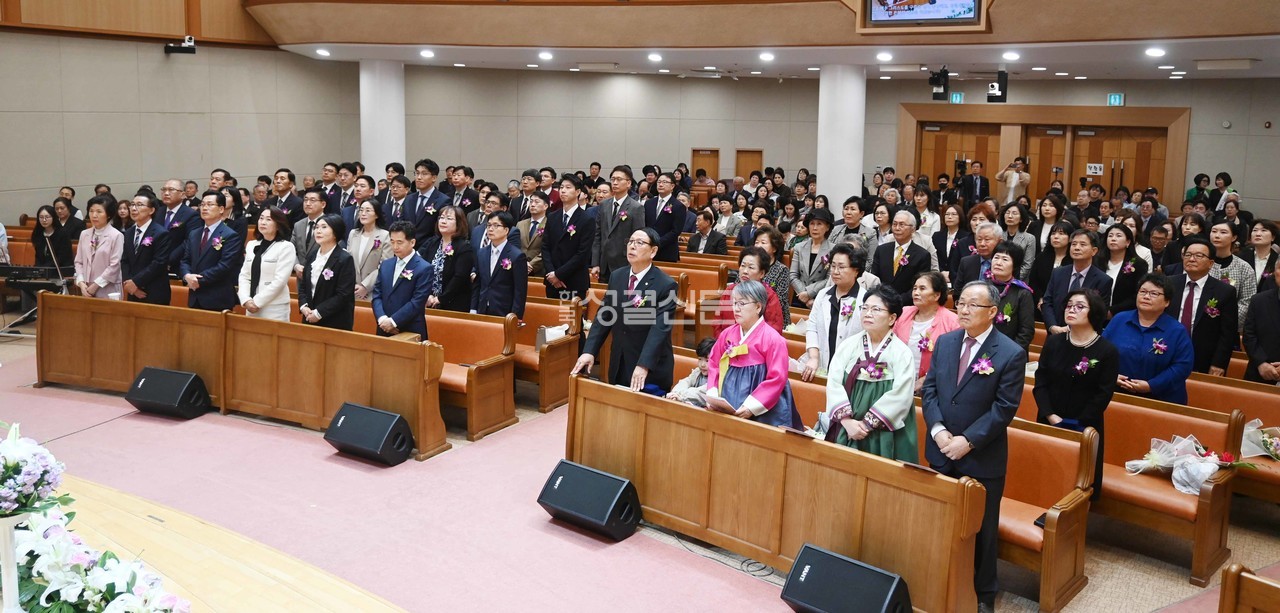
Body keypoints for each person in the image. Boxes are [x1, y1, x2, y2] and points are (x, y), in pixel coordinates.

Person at [922, 281, 1026, 611]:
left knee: (982, 530)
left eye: (972, 305)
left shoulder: (1010, 353)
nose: (963, 310)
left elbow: (1004, 408)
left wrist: (967, 442)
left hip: (981, 456)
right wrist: (938, 431)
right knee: (941, 522)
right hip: (941, 449)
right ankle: (938, 580)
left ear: (993, 312)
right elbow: (932, 391)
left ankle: (983, 595)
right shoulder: (947, 342)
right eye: (961, 303)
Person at [1034, 288, 1120, 497]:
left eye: (1079, 306)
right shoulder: (1054, 341)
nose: (1071, 310)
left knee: (1077, 480)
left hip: (1085, 424)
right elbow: (1041, 381)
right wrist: (1051, 416)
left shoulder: (1107, 351)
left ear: (1094, 313)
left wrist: (1077, 423)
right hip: (1049, 419)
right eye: (1069, 305)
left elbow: (1103, 393)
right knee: (1043, 475)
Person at [572, 228, 679, 393]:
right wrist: (589, 351)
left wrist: (644, 364)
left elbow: (659, 330)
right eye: (630, 241)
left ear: (653, 251)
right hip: (620, 361)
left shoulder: (665, 285)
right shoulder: (617, 277)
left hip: (649, 368)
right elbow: (604, 316)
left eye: (639, 242)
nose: (632, 246)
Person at [822, 286, 916, 459]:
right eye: (864, 307)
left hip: (884, 430)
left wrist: (866, 425)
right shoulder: (848, 346)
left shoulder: (902, 353)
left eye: (876, 309)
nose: (867, 313)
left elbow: (901, 395)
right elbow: (833, 383)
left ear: (892, 318)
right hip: (848, 427)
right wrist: (847, 422)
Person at [704, 280, 803, 428]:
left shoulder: (773, 339)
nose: (736, 309)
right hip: (728, 396)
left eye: (742, 304)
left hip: (764, 406)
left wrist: (752, 406)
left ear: (758, 307)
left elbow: (777, 378)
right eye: (734, 303)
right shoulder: (727, 334)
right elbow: (714, 363)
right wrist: (712, 395)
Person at [1102, 274, 1194, 404]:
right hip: (1116, 394)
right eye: (1143, 292)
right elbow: (1101, 353)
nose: (1146, 297)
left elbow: (1182, 367)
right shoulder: (1119, 320)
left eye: (1154, 294)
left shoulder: (1177, 330)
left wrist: (1151, 385)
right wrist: (1111, 376)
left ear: (1167, 301)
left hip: (1161, 399)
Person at [1165, 237, 1238, 375]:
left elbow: (1227, 333)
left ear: (1210, 263)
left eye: (1199, 256)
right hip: (1166, 351)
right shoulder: (1169, 284)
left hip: (1204, 358)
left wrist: (1219, 363)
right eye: (1188, 255)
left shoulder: (1224, 291)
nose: (1192, 259)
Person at [802, 243, 869, 380]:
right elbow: (812, 327)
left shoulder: (866, 300)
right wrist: (814, 357)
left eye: (842, 267)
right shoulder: (823, 295)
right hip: (820, 364)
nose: (835, 271)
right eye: (833, 266)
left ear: (856, 270)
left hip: (852, 370)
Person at [893, 271, 960, 392]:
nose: (916, 292)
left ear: (936, 295)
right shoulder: (903, 313)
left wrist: (923, 381)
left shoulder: (953, 322)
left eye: (922, 288)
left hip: (931, 387)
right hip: (897, 380)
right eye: (914, 288)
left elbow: (951, 362)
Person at [1042, 229, 1113, 334]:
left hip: (1084, 336)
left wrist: (1072, 329)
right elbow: (1047, 302)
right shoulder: (1058, 273)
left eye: (1082, 244)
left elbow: (1099, 314)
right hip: (1055, 334)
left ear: (1094, 251)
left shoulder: (1103, 280)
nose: (1077, 248)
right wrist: (1053, 327)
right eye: (1074, 244)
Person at [372, 220, 434, 338]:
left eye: (400, 242)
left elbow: (417, 302)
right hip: (383, 327)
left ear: (412, 242)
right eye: (392, 242)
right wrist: (382, 319)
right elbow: (377, 294)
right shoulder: (386, 264)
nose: (395, 247)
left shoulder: (424, 268)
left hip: (410, 329)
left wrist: (393, 321)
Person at [708, 247, 785, 338]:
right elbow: (718, 323)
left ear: (762, 273)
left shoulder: (769, 296)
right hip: (727, 346)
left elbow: (774, 330)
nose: (745, 271)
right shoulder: (730, 290)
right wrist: (723, 344)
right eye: (743, 266)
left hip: (756, 348)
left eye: (751, 267)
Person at [297, 214, 356, 330]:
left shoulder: (344, 259)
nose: (318, 231)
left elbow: (343, 294)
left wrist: (319, 313)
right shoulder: (312, 255)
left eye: (324, 227)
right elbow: (303, 285)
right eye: (316, 227)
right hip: (309, 317)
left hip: (334, 321)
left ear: (335, 232)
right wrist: (303, 306)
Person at [237, 207, 297, 322]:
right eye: (261, 218)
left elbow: (280, 281)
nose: (263, 222)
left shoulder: (286, 247)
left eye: (269, 219)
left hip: (274, 307)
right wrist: (246, 299)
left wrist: (257, 301)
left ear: (278, 224)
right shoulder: (251, 244)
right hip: (250, 304)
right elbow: (244, 275)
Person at [542, 175, 596, 301]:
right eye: (561, 187)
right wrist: (552, 274)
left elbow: (582, 254)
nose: (563, 190)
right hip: (552, 281)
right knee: (552, 318)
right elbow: (545, 247)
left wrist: (559, 274)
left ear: (578, 192)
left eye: (568, 187)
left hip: (574, 280)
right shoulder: (552, 217)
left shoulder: (587, 219)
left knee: (571, 319)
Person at [591, 165, 646, 282]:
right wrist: (595, 263)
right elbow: (597, 235)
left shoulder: (636, 207)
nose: (615, 183)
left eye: (619, 179)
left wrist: (634, 265)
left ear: (628, 183)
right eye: (613, 179)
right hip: (604, 264)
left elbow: (638, 239)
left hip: (624, 264)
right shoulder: (604, 205)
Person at [472, 211, 529, 320]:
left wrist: (516, 316)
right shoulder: (482, 253)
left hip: (504, 311)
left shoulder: (517, 256)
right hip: (482, 308)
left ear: (506, 230)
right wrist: (473, 308)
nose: (490, 229)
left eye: (496, 225)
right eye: (488, 225)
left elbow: (520, 291)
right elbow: (478, 284)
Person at [417, 205, 474, 313]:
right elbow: (421, 269)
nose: (443, 221)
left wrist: (440, 299)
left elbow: (459, 278)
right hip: (428, 302)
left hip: (453, 304)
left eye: (449, 218)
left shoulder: (464, 247)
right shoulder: (432, 243)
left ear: (459, 223)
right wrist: (427, 295)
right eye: (441, 218)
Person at [120, 192, 171, 306]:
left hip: (154, 291)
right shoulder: (129, 233)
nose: (134, 208)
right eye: (132, 204)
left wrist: (136, 282)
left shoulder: (161, 233)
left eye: (139, 205)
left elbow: (158, 263)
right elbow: (125, 260)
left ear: (151, 210)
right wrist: (129, 284)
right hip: (132, 291)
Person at [869, 210, 931, 296]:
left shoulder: (922, 255)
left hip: (907, 304)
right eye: (894, 224)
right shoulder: (881, 250)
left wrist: (898, 302)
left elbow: (920, 286)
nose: (897, 228)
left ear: (913, 229)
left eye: (902, 224)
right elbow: (874, 279)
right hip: (882, 301)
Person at [73, 195, 124, 300]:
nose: (94, 215)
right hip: (86, 289)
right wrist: (81, 283)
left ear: (108, 215)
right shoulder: (84, 234)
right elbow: (79, 262)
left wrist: (96, 285)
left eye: (99, 212)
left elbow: (115, 265)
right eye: (91, 211)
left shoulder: (116, 235)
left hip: (108, 288)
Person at [987, 242, 1035, 350]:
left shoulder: (1022, 293)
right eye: (996, 257)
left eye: (1005, 259)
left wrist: (1009, 354)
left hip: (1010, 352)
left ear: (1015, 265)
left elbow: (1026, 332)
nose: (998, 263)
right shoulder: (981, 287)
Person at [1207, 219, 1255, 328]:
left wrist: (1227, 320)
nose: (1217, 235)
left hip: (1230, 326)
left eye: (1223, 232)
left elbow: (1246, 301)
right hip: (1200, 324)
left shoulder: (1244, 268)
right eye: (1214, 231)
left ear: (1234, 237)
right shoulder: (1201, 262)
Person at [1243, 256, 1280, 383]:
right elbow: (1249, 335)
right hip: (1259, 373)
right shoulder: (1259, 300)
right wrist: (1262, 363)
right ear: (1275, 272)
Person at [347, 199, 393, 302]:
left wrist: (365, 286)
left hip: (373, 290)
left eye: (368, 210)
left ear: (376, 215)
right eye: (361, 210)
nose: (363, 214)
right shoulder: (353, 234)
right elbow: (348, 262)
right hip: (352, 289)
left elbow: (384, 266)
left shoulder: (385, 236)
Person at [791, 208, 836, 309]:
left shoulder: (833, 249)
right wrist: (803, 294)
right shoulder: (799, 247)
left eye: (819, 224)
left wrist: (809, 293)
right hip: (799, 295)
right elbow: (793, 275)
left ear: (827, 227)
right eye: (812, 223)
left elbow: (830, 278)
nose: (815, 228)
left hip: (820, 297)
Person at [1101, 223, 1149, 316]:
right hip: (1096, 314)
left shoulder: (1138, 264)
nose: (1113, 239)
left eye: (1118, 236)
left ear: (1128, 242)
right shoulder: (1098, 261)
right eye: (1110, 236)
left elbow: (1138, 294)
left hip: (1124, 314)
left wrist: (1112, 311)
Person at [952, 220, 1002, 303]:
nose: (982, 244)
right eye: (979, 239)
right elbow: (957, 292)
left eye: (987, 239)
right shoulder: (966, 262)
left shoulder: (1004, 263)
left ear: (999, 241)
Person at [752, 227, 793, 324]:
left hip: (773, 318)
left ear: (774, 248)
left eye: (763, 242)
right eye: (756, 242)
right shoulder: (749, 266)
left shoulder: (782, 270)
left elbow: (780, 301)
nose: (758, 246)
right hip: (749, 313)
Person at [644, 172, 686, 262]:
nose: (661, 184)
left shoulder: (678, 206)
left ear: (672, 186)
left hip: (667, 251)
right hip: (648, 250)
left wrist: (658, 243)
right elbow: (645, 224)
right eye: (659, 182)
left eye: (664, 182)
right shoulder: (649, 203)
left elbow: (676, 231)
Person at [667, 338, 715, 407]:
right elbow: (685, 382)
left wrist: (680, 396)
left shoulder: (717, 378)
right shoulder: (698, 371)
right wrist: (675, 393)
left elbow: (700, 393)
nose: (702, 364)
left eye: (707, 361)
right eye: (700, 359)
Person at [933, 204, 969, 284]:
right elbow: (934, 257)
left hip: (958, 277)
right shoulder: (937, 236)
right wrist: (941, 272)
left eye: (953, 214)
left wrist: (951, 274)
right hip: (939, 276)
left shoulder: (966, 237)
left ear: (960, 217)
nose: (949, 217)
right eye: (947, 214)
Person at [1000, 202, 1036, 279]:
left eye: (1014, 213)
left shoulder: (1029, 238)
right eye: (1007, 213)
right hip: (997, 276)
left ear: (1021, 219)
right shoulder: (998, 234)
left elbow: (1027, 265)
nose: (1010, 216)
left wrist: (1012, 279)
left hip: (1017, 279)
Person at [1248, 220, 1279, 293]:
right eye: (1255, 230)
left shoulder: (1278, 260)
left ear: (1273, 237)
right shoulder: (1241, 257)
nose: (1258, 234)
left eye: (1263, 230)